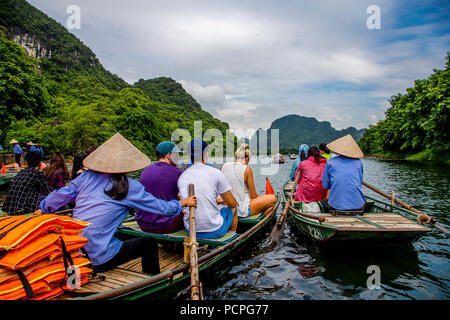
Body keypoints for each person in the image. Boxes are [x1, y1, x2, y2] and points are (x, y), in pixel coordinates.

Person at [37, 133, 197, 275]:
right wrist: (183, 202)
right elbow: (162, 208)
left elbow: (60, 195)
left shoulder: (85, 177)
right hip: (99, 255)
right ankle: (154, 280)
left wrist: (42, 208)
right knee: (148, 243)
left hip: (74, 248)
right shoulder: (127, 186)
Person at [178, 138, 238, 239]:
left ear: (189, 155)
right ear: (206, 153)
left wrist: (216, 201)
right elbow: (231, 203)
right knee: (232, 208)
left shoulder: (183, 176)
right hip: (214, 230)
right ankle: (231, 238)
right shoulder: (216, 173)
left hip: (190, 230)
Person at [135, 141, 184, 234]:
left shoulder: (146, 170)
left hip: (142, 224)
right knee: (190, 204)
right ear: (169, 155)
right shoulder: (177, 172)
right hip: (162, 226)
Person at [221, 143, 276, 217]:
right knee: (272, 199)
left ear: (236, 157)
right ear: (247, 158)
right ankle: (262, 217)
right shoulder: (247, 169)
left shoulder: (224, 166)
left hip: (226, 206)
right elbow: (253, 195)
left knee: (267, 203)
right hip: (241, 209)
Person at [320, 134, 365, 214]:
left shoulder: (330, 162)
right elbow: (359, 182)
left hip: (336, 206)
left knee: (323, 202)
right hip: (358, 206)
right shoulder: (358, 162)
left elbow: (326, 185)